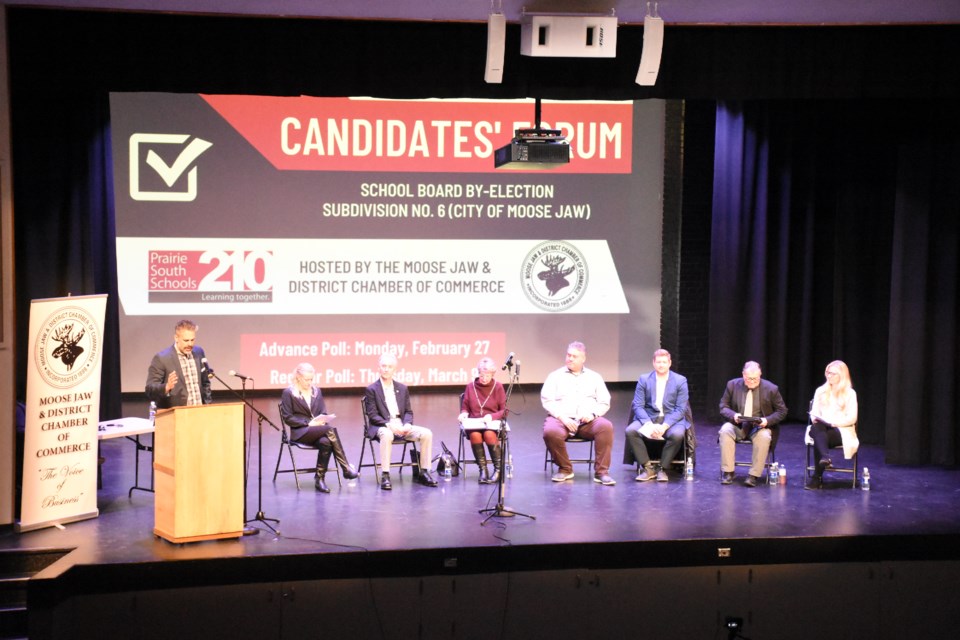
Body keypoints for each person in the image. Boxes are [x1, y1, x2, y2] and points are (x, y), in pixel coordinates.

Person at [541, 341, 616, 486]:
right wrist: (562, 417)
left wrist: (592, 414)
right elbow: (547, 400)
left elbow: (604, 401)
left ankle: (602, 472)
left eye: (574, 356)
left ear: (583, 359)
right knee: (550, 432)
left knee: (606, 427)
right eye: (568, 355)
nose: (570, 359)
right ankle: (565, 468)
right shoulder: (555, 376)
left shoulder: (595, 377)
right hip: (561, 420)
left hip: (587, 421)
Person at [279, 363, 359, 493]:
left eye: (311, 379)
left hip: (317, 431)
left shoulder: (316, 391)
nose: (309, 382)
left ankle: (319, 479)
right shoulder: (289, 393)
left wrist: (322, 420)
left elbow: (323, 412)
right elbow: (287, 418)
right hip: (300, 432)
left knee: (326, 442)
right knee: (329, 430)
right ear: (298, 377)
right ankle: (346, 468)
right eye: (306, 379)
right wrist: (309, 423)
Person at [363, 353, 438, 490]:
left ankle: (424, 471)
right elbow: (372, 415)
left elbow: (408, 412)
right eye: (383, 366)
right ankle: (385, 474)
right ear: (378, 368)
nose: (386, 369)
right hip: (382, 425)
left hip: (401, 425)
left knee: (427, 433)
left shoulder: (402, 388)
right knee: (387, 435)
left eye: (389, 367)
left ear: (394, 370)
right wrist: (390, 425)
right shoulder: (372, 389)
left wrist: (407, 424)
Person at [718, 361, 788, 487]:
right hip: (738, 425)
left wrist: (767, 420)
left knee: (764, 437)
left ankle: (753, 475)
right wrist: (734, 415)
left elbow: (782, 411)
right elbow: (723, 407)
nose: (752, 381)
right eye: (749, 378)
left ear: (760, 375)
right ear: (743, 375)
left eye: (755, 378)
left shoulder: (771, 388)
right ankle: (728, 472)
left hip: (759, 427)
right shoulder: (732, 385)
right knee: (725, 430)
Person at [625, 349, 690, 482]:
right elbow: (638, 405)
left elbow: (680, 409)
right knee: (631, 431)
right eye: (658, 362)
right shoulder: (644, 379)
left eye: (664, 362)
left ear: (670, 363)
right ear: (653, 363)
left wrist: (665, 426)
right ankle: (648, 468)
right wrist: (649, 424)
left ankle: (663, 468)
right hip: (649, 417)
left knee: (677, 435)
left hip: (671, 418)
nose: (661, 365)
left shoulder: (680, 380)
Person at [806, 360, 859, 490]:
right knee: (817, 428)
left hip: (841, 431)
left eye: (833, 374)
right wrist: (814, 418)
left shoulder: (850, 393)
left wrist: (834, 423)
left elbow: (852, 418)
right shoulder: (821, 391)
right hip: (822, 428)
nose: (829, 376)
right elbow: (814, 411)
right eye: (828, 373)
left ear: (842, 376)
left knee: (818, 435)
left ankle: (817, 477)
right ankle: (825, 457)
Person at [458, 357, 507, 484]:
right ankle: (483, 470)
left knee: (489, 434)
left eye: (487, 375)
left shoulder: (498, 387)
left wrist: (492, 417)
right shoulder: (471, 386)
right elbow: (465, 407)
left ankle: (498, 470)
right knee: (475, 435)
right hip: (474, 423)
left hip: (492, 424)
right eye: (481, 375)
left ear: (493, 374)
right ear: (478, 372)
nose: (484, 378)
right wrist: (463, 414)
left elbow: (504, 410)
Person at [145, 319, 213, 408]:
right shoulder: (162, 358)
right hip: (176, 416)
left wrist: (208, 405)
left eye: (192, 340)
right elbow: (150, 389)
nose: (190, 344)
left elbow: (205, 383)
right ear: (176, 338)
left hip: (199, 413)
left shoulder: (199, 352)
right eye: (186, 340)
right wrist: (166, 386)